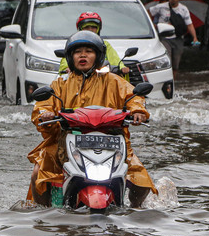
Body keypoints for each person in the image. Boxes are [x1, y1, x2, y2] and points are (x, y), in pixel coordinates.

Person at [27, 30, 157, 208]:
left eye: (88, 51)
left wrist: (137, 111)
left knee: (142, 180)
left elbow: (133, 97)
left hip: (110, 141)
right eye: (78, 51)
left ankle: (134, 211)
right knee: (38, 173)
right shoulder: (60, 83)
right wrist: (45, 114)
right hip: (65, 143)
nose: (83, 55)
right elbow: (43, 106)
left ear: (97, 56)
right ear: (70, 57)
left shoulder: (113, 80)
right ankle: (43, 212)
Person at [59, 12, 130, 78]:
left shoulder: (104, 44)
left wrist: (121, 67)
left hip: (101, 78)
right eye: (86, 27)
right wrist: (66, 68)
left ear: (98, 29)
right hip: (78, 79)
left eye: (93, 27)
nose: (90, 30)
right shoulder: (73, 43)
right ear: (80, 29)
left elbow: (115, 59)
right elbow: (66, 60)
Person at [148, 0, 200, 77]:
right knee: (166, 62)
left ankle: (172, 82)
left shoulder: (184, 9)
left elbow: (189, 24)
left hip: (178, 39)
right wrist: (152, 25)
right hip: (164, 39)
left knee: (176, 64)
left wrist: (195, 37)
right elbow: (148, 13)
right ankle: (166, 82)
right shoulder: (160, 7)